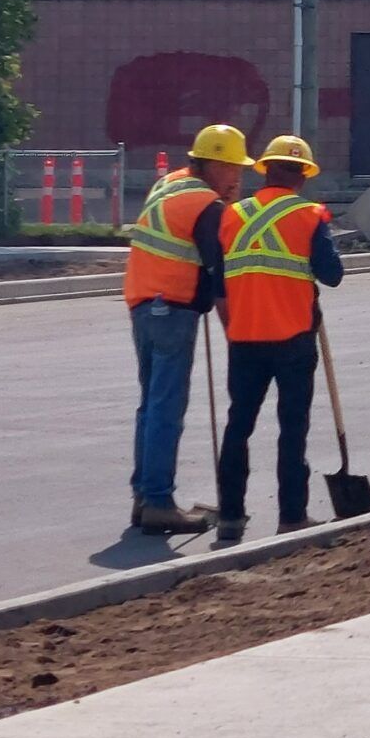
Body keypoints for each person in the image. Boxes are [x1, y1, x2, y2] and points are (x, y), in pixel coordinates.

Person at [212, 135, 343, 545]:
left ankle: (230, 517)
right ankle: (292, 516)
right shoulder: (309, 215)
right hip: (292, 339)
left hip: (245, 337)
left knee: (239, 426)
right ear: (303, 176)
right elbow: (332, 274)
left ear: (265, 170)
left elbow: (219, 276)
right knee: (292, 428)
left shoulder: (232, 215)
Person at [120, 124, 247, 535]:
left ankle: (144, 495)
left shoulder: (169, 185)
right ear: (211, 163)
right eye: (231, 167)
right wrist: (236, 335)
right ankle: (158, 501)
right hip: (171, 309)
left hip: (143, 304)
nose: (237, 177)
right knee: (166, 407)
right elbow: (221, 273)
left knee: (151, 403)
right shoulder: (206, 205)